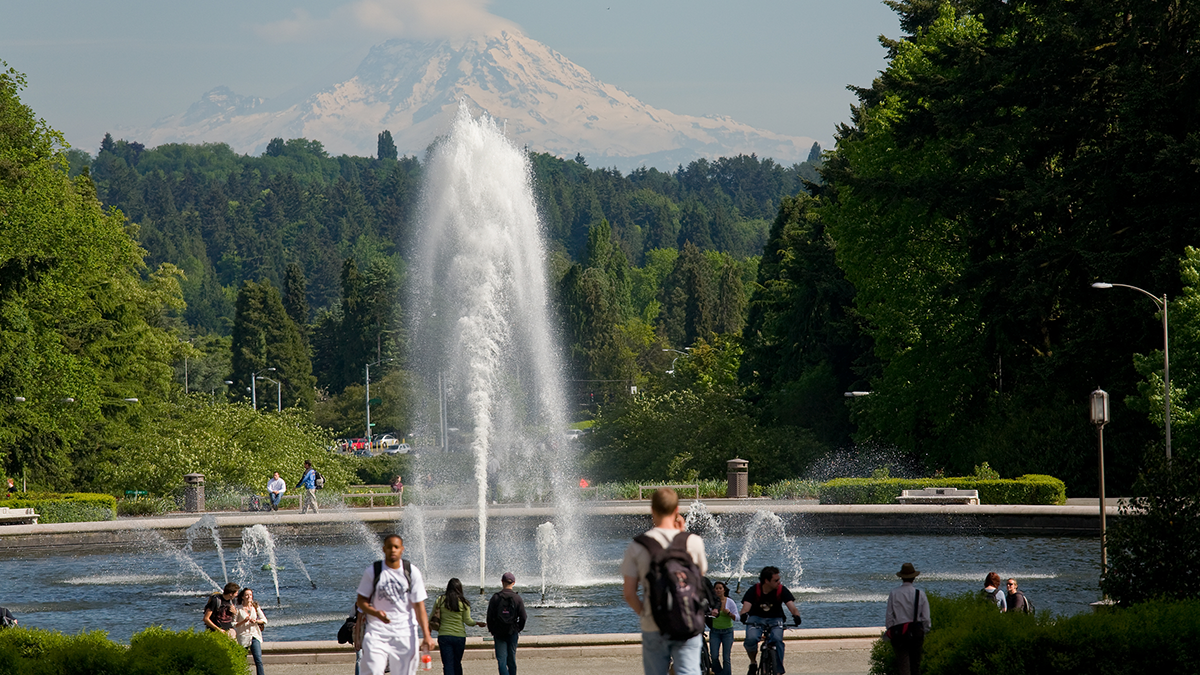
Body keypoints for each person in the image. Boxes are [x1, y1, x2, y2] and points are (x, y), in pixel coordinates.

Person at [620, 486, 709, 675]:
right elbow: (698, 578)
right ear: (677, 510)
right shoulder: (693, 541)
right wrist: (683, 533)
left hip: (654, 624)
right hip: (688, 620)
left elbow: (628, 593)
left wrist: (646, 614)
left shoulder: (638, 545)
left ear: (652, 510)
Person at [356, 534, 434, 675]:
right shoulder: (373, 572)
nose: (393, 550)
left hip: (405, 632)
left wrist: (427, 635)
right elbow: (361, 601)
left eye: (396, 547)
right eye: (389, 547)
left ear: (402, 549)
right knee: (372, 671)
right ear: (383, 549)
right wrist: (375, 613)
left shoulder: (411, 572)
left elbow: (419, 606)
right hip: (377, 632)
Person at [741, 566, 801, 675]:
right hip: (756, 618)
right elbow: (746, 607)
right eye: (776, 580)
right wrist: (744, 615)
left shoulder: (781, 590)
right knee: (751, 639)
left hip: (775, 618)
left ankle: (778, 670)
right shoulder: (754, 590)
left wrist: (796, 616)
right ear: (766, 581)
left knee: (777, 639)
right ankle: (753, 662)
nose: (779, 582)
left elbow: (792, 606)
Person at [885, 563, 931, 675]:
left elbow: (889, 617)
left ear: (901, 577)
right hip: (916, 633)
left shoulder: (894, 593)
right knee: (916, 665)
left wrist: (891, 631)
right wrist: (925, 631)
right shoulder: (920, 594)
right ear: (914, 577)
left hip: (899, 634)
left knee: (903, 666)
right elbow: (925, 618)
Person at [433, 578, 486, 675]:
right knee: (457, 663)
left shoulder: (440, 600)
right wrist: (477, 623)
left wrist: (427, 632)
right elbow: (467, 621)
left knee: (448, 664)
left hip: (444, 636)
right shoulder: (464, 602)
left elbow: (432, 617)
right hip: (459, 637)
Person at [486, 572, 527, 675]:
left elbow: (489, 617)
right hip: (512, 632)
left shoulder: (495, 597)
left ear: (502, 582)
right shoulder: (517, 598)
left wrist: (492, 630)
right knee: (511, 660)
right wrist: (518, 629)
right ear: (513, 583)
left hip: (499, 633)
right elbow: (523, 617)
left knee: (501, 661)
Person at [235, 587, 269, 675]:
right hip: (243, 636)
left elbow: (264, 620)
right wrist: (243, 621)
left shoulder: (255, 607)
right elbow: (233, 624)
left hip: (254, 635)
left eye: (250, 594)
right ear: (242, 596)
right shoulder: (238, 609)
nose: (249, 596)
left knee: (258, 660)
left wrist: (256, 621)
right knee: (242, 660)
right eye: (247, 595)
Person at [708, 581, 739, 675]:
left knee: (726, 658)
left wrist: (729, 613)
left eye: (720, 588)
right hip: (715, 632)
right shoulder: (711, 602)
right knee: (714, 656)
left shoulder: (729, 602)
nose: (718, 590)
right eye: (716, 588)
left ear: (724, 590)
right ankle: (718, 672)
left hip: (727, 632)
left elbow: (737, 618)